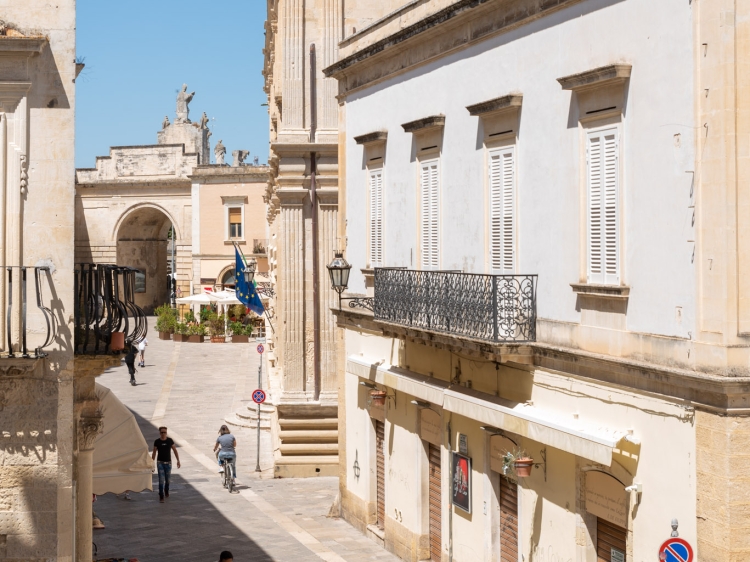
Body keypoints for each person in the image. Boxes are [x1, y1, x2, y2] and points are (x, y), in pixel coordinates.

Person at [152, 426, 180, 503]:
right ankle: (161, 495)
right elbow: (154, 453)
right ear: (159, 433)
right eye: (162, 432)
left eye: (165, 432)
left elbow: (175, 450)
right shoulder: (157, 441)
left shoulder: (170, 441)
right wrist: (152, 463)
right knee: (161, 480)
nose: (163, 434)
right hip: (160, 463)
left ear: (166, 433)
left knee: (167, 480)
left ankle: (166, 490)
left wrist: (178, 460)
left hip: (168, 463)